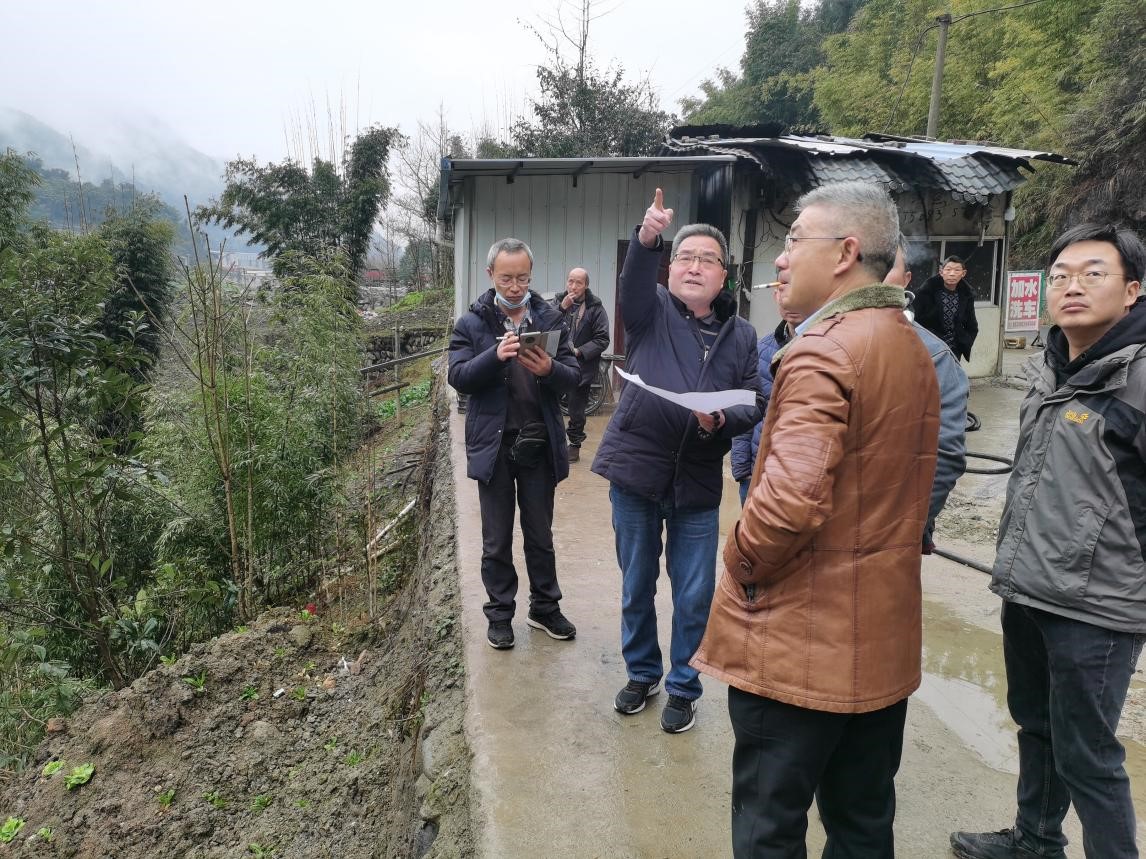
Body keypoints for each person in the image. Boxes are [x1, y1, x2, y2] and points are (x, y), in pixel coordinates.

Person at [691, 180, 940, 857]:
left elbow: (786, 504)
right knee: (862, 824)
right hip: (879, 640)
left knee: (769, 828)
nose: (780, 257)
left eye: (795, 240)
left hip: (801, 646)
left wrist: (740, 562)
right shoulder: (909, 345)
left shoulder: (824, 347)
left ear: (845, 253)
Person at [950, 224, 1146, 859]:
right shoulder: (1050, 366)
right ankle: (1035, 841)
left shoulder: (1139, 381)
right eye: (1060, 275)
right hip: (1030, 586)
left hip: (1099, 607)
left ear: (1133, 291)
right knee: (1036, 727)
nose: (1072, 286)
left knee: (1089, 756)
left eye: (1094, 273)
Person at [592, 188, 762, 734]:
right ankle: (642, 673)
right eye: (684, 257)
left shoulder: (742, 335)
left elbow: (754, 399)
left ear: (723, 276)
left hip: (696, 480)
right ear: (670, 269)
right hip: (637, 472)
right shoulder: (652, 312)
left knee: (694, 594)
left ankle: (684, 687)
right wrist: (648, 239)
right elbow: (633, 284)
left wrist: (720, 420)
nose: (694, 266)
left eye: (707, 259)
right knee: (636, 585)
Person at [448, 238, 580, 651]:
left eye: (522, 277)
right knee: (496, 538)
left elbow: (573, 377)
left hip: (537, 443)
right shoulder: (472, 323)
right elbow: (458, 376)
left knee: (540, 533)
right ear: (491, 275)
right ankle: (500, 614)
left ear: (530, 274)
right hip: (494, 447)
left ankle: (544, 608)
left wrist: (549, 368)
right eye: (506, 278)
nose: (515, 286)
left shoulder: (550, 318)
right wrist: (494, 356)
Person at [886, 237, 969, 550]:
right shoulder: (819, 343)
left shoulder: (935, 357)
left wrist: (904, 530)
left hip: (890, 536)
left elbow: (945, 455)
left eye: (886, 266)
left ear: (906, 279)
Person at [730, 284, 801, 505]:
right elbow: (745, 409)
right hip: (756, 474)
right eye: (783, 290)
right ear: (775, 296)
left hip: (797, 477)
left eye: (797, 289)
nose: (790, 299)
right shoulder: (762, 349)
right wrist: (742, 469)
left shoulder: (825, 348)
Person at [552, 267, 610, 462]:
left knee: (576, 411)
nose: (573, 286)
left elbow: (602, 338)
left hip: (581, 367)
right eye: (570, 281)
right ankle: (551, 442)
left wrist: (580, 351)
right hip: (556, 364)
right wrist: (562, 308)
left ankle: (574, 446)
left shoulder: (595, 307)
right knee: (549, 404)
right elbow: (544, 324)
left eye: (578, 282)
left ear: (586, 285)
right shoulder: (558, 301)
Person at [910, 254, 979, 361]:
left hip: (954, 349)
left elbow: (972, 326)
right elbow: (914, 321)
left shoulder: (966, 295)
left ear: (963, 273)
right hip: (929, 347)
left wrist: (963, 342)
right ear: (941, 272)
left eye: (957, 270)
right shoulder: (926, 292)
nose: (952, 274)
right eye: (948, 269)